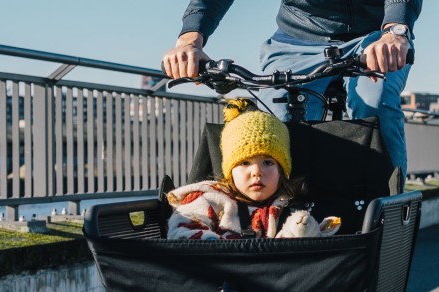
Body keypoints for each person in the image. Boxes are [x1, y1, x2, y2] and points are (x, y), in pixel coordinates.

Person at [162, 0, 422, 178]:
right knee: (277, 116)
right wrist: (189, 40)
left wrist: (395, 32)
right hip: (297, 37)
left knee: (373, 103)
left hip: (376, 36)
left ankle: (390, 210)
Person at [167, 99, 340, 240]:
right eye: (244, 163)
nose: (256, 172)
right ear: (230, 171)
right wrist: (215, 245)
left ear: (281, 171)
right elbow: (182, 228)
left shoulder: (288, 207)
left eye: (268, 163)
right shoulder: (211, 199)